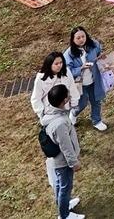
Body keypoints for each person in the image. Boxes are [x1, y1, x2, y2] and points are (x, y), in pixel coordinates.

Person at [41, 83, 84, 219]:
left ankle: (63, 205)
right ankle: (64, 215)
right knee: (65, 187)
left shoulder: (50, 113)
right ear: (63, 100)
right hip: (63, 162)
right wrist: (74, 162)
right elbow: (66, 146)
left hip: (59, 160)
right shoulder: (59, 124)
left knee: (60, 185)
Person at [63, 27, 107, 131]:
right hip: (79, 84)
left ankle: (97, 120)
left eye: (83, 36)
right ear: (73, 40)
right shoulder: (69, 54)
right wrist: (80, 68)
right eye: (78, 38)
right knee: (81, 103)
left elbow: (99, 52)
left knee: (96, 101)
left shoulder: (94, 45)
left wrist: (102, 57)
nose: (81, 39)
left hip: (93, 80)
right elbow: (67, 72)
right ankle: (73, 114)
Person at [31, 51, 80, 121]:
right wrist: (41, 114)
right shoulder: (41, 78)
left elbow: (72, 87)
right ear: (49, 64)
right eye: (56, 64)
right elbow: (36, 98)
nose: (59, 65)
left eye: (61, 63)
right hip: (49, 111)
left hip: (65, 108)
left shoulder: (66, 72)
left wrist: (74, 103)